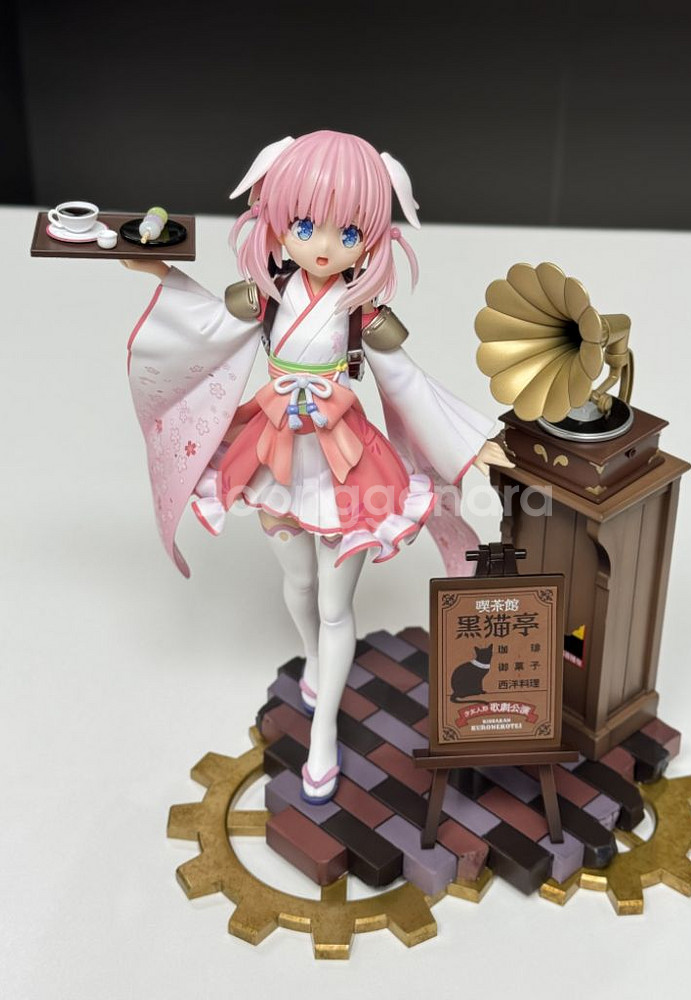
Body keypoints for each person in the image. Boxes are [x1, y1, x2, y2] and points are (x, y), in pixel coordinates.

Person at [124, 130, 512, 803]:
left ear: (373, 238)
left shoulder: (363, 316)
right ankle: (312, 660)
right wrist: (162, 274)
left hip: (348, 469)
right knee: (299, 586)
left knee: (336, 606)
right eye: (304, 226)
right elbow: (207, 327)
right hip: (273, 459)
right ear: (277, 222)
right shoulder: (267, 296)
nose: (324, 245)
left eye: (348, 231)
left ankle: (324, 729)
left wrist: (470, 443)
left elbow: (409, 382)